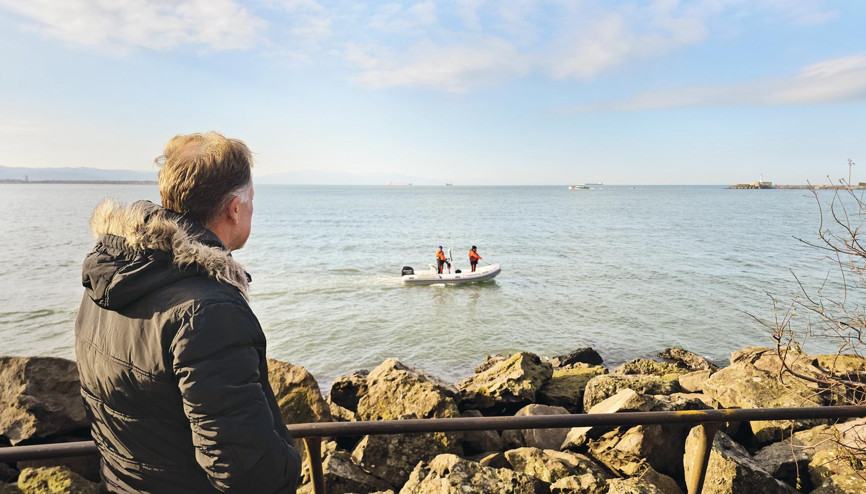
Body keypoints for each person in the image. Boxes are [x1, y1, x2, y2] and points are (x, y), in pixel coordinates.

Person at [74, 132, 302, 493]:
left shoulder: (105, 282)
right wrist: (292, 462)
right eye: (252, 198)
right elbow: (247, 471)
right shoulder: (209, 312)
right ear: (235, 209)